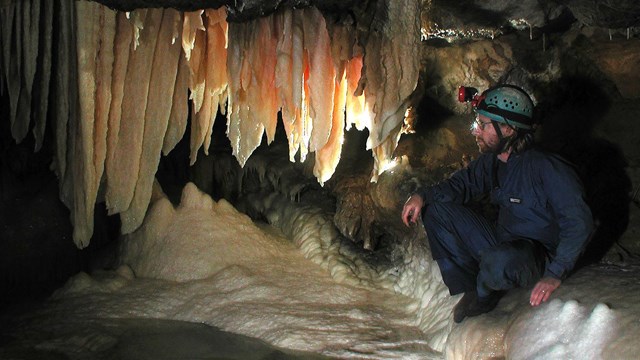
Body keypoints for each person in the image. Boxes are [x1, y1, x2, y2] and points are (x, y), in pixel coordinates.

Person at [401, 84, 594, 323]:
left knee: (500, 259)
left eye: (483, 125)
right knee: (436, 209)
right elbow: (461, 185)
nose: (475, 131)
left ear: (508, 129)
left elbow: (579, 223)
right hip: (503, 243)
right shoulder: (493, 162)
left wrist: (555, 273)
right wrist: (422, 196)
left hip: (535, 257)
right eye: (477, 124)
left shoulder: (547, 167)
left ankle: (485, 295)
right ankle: (472, 285)